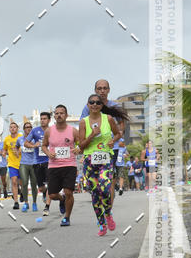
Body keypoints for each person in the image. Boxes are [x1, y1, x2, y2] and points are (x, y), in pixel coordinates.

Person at [79, 95, 127, 235]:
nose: (94, 105)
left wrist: (113, 140)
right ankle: (102, 224)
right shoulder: (83, 122)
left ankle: (108, 214)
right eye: (92, 102)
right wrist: (92, 135)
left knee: (106, 189)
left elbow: (118, 134)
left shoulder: (108, 118)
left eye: (98, 102)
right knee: (95, 194)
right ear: (88, 105)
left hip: (105, 159)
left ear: (101, 105)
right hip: (90, 160)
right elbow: (81, 145)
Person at [80, 80, 128, 207]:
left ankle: (108, 210)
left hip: (112, 147)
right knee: (95, 181)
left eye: (105, 88)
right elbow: (82, 126)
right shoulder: (89, 106)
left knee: (110, 181)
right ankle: (101, 204)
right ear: (95, 90)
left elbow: (122, 124)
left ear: (109, 90)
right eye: (99, 88)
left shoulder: (114, 106)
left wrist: (118, 136)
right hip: (93, 149)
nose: (102, 91)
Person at [41, 105, 78, 226]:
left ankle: (67, 217)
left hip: (69, 165)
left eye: (61, 113)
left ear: (66, 115)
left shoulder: (72, 130)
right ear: (54, 116)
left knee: (69, 192)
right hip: (54, 166)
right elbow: (44, 146)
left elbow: (81, 144)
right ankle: (61, 199)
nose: (59, 115)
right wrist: (48, 153)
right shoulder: (49, 130)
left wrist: (78, 149)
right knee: (52, 194)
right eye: (56, 113)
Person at [26, 112, 51, 215]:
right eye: (41, 118)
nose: (42, 120)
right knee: (40, 187)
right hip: (37, 162)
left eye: (45, 118)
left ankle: (47, 207)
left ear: (49, 120)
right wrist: (33, 146)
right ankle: (45, 192)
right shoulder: (35, 131)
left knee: (50, 184)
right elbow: (26, 143)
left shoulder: (53, 130)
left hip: (49, 161)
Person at [19, 120, 38, 212]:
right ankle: (26, 203)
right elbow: (16, 146)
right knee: (25, 183)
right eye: (27, 127)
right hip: (23, 163)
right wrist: (16, 152)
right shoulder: (20, 139)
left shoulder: (35, 139)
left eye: (30, 127)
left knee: (34, 185)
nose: (29, 129)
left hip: (34, 163)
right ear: (24, 129)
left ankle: (34, 202)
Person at [3, 121, 22, 211]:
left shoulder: (21, 138)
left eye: (14, 127)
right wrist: (3, 153)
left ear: (17, 128)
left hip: (22, 163)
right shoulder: (6, 139)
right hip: (12, 163)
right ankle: (16, 202)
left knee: (22, 183)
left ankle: (21, 192)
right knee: (14, 181)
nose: (13, 128)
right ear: (9, 129)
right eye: (11, 127)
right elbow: (4, 150)